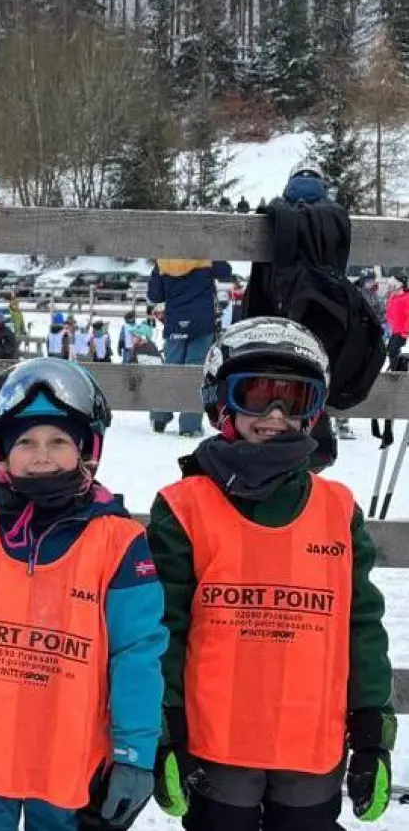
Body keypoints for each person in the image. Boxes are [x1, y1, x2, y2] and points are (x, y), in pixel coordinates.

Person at [148, 317, 394, 829]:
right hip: (219, 745)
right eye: (257, 395)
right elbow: (164, 628)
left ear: (314, 412)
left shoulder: (337, 510)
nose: (275, 416)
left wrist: (371, 729)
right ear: (223, 402)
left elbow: (362, 625)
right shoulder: (185, 508)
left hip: (311, 747)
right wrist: (165, 727)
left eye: (294, 400)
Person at [0, 358, 165, 830]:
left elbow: (137, 655)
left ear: (88, 449)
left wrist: (134, 754)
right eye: (25, 442)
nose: (41, 456)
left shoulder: (118, 541)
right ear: (1, 450)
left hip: (70, 763)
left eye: (59, 441)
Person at [147, 257, 232, 435]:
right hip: (201, 323)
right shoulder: (205, 258)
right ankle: (190, 425)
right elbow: (226, 272)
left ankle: (159, 418)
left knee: (170, 368)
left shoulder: (163, 261)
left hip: (175, 323)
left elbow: (155, 295)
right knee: (196, 371)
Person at [387, 278, 409, 370]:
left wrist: (406, 330)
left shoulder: (406, 298)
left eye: (393, 286)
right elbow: (390, 312)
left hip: (401, 332)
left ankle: (398, 373)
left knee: (396, 352)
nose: (391, 288)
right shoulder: (393, 297)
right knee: (391, 350)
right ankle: (395, 370)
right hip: (394, 330)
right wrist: (390, 326)